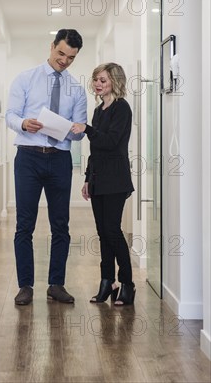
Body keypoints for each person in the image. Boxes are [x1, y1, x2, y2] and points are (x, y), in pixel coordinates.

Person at [5, 29, 87, 306]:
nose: (64, 61)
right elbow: (11, 115)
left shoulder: (76, 89)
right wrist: (24, 124)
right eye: (61, 53)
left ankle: (56, 284)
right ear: (52, 46)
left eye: (71, 58)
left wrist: (77, 130)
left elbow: (79, 131)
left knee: (60, 225)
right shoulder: (26, 78)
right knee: (24, 225)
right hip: (28, 156)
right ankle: (25, 286)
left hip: (59, 159)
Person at [71, 62, 135, 306]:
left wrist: (86, 128)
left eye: (103, 80)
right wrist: (87, 179)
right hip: (98, 179)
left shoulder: (122, 108)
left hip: (116, 180)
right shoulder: (99, 110)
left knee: (112, 231)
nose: (97, 84)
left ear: (115, 82)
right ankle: (107, 282)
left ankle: (127, 283)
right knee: (103, 233)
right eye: (96, 79)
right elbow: (95, 150)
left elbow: (110, 142)